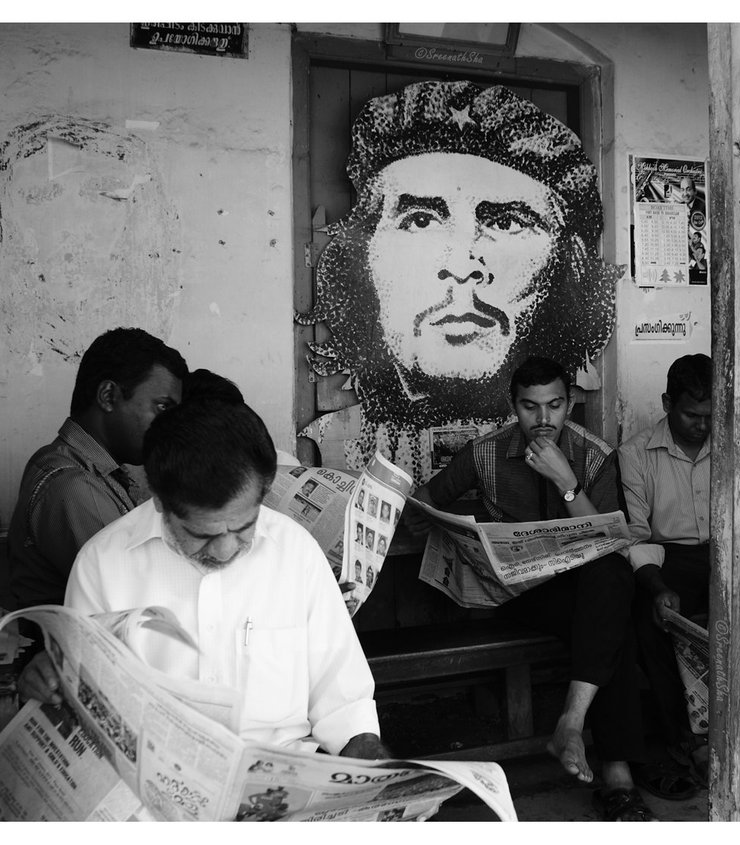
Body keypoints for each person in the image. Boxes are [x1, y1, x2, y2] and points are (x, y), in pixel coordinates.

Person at [18, 399, 389, 760]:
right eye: (203, 534)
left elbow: (346, 704)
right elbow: (86, 708)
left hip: (279, 792)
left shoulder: (296, 553)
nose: (226, 551)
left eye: (244, 527)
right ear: (160, 500)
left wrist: (371, 781)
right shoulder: (103, 565)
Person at [297, 80, 621, 486]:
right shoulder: (321, 448)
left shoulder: (590, 457)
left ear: (563, 264)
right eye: (419, 220)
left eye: (505, 223)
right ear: (364, 259)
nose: (464, 267)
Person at [412, 356, 655, 821]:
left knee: (611, 586)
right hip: (517, 595)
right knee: (613, 616)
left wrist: (566, 481)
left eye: (555, 406)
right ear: (513, 405)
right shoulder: (485, 453)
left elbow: (609, 542)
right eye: (530, 407)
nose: (543, 420)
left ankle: (575, 726)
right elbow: (425, 502)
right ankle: (616, 772)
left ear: (570, 403)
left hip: (582, 593)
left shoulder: (593, 454)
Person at [7, 327, 187, 611]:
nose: (172, 426)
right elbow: (137, 599)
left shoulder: (78, 467)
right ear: (107, 396)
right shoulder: (71, 486)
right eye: (163, 407)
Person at [618, 354, 712, 791]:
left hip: (725, 557)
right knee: (649, 624)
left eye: (712, 415)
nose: (703, 425)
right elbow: (636, 537)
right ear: (666, 403)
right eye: (692, 414)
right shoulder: (636, 454)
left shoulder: (733, 443)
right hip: (666, 560)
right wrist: (656, 588)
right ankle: (687, 740)